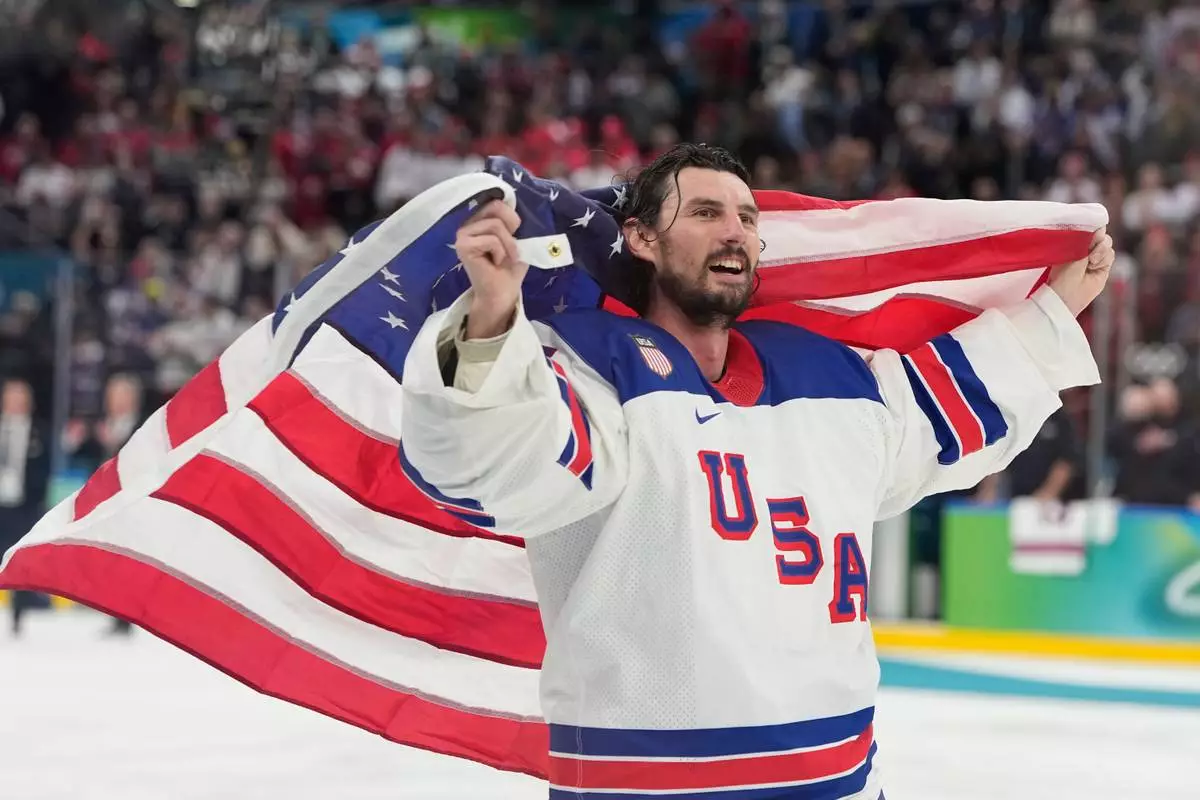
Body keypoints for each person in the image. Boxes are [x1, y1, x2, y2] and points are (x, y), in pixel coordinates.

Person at [400, 144, 1113, 799]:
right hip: (646, 786)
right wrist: (489, 327)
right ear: (643, 239)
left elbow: (939, 409)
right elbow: (506, 458)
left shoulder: (827, 374)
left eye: (746, 217)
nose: (735, 230)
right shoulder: (589, 369)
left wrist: (1055, 312)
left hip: (838, 780)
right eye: (706, 213)